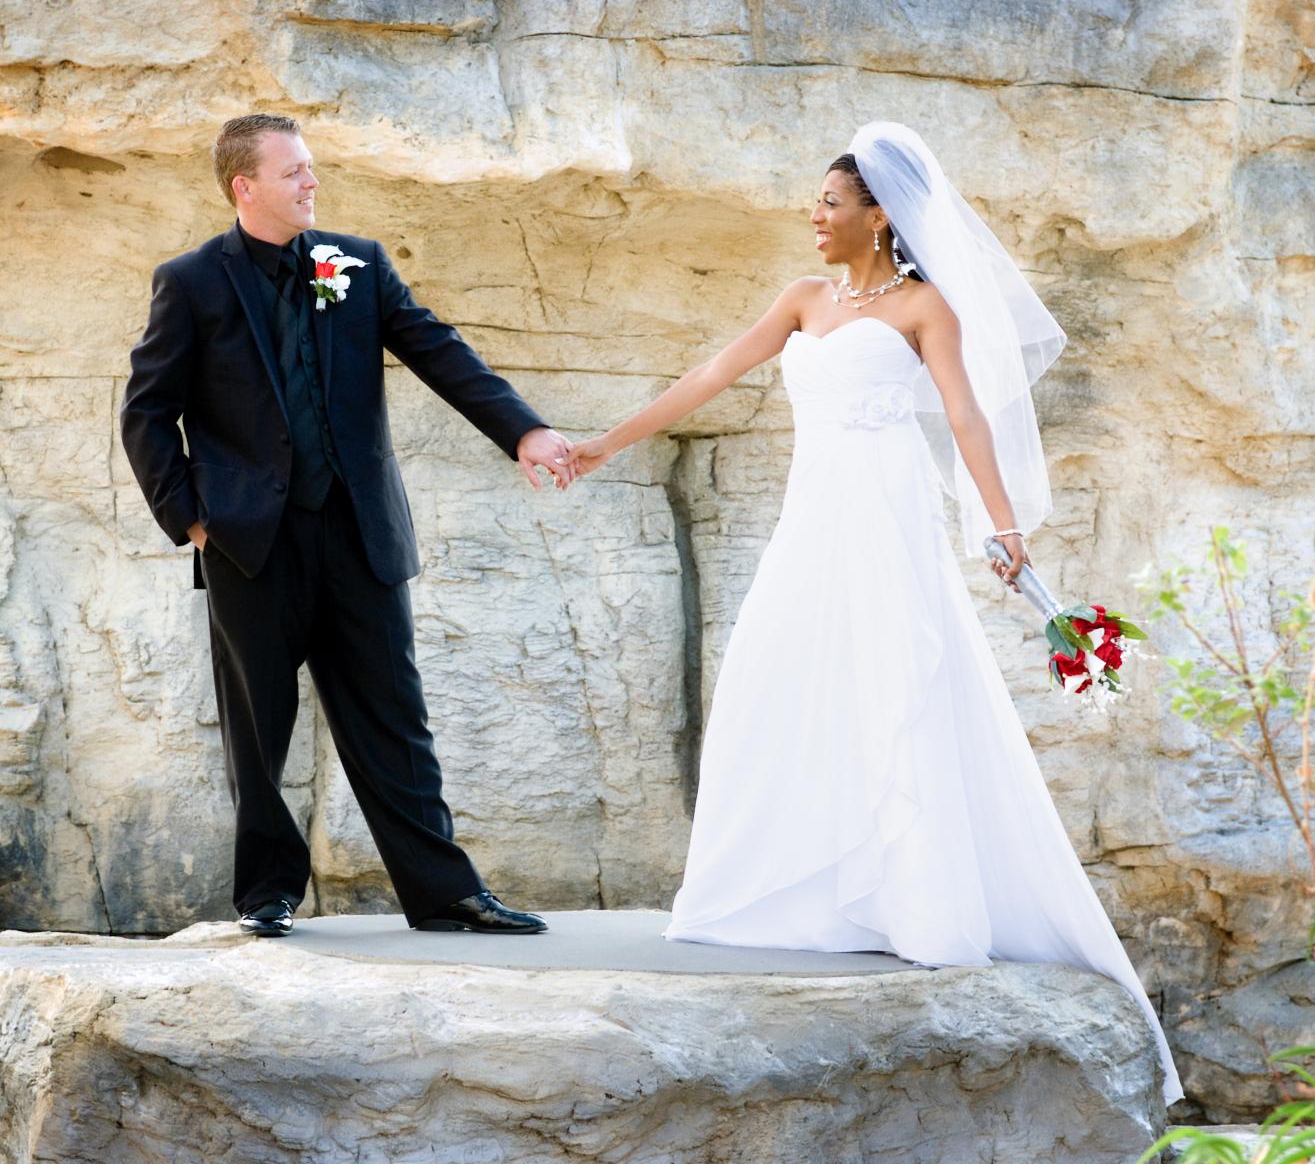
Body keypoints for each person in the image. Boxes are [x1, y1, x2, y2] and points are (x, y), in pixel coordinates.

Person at [566, 122, 1182, 1102]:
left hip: (888, 520)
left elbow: (968, 414)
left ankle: (913, 902)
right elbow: (709, 375)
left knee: (896, 679)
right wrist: (602, 444)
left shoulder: (925, 307)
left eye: (828, 203)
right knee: (777, 679)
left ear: (878, 214)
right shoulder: (800, 300)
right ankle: (790, 892)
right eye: (815, 203)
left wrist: (999, 521)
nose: (812, 217)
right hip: (811, 521)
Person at [121, 114, 571, 939]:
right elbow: (148, 412)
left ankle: (443, 894)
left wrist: (523, 429)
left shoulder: (353, 263)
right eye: (293, 172)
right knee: (258, 725)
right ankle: (266, 891)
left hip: (359, 531)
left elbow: (438, 350)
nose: (311, 183)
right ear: (244, 187)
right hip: (249, 542)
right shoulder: (190, 281)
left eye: (311, 169)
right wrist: (189, 521)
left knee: (394, 716)